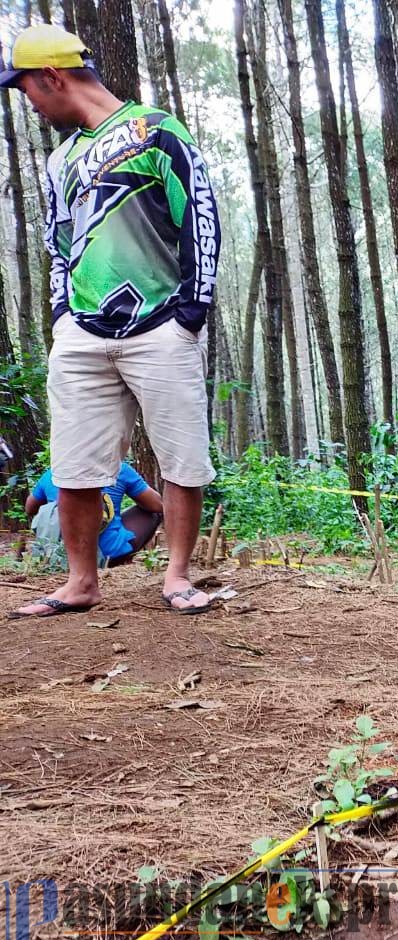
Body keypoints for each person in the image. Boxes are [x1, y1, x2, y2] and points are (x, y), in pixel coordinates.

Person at [3, 24, 220, 619]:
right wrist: (60, 315)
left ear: (53, 77)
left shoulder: (158, 131)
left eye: (27, 90)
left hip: (160, 321)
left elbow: (199, 213)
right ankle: (80, 581)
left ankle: (176, 576)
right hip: (82, 327)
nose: (30, 104)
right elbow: (58, 242)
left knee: (182, 455)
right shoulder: (59, 159)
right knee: (73, 462)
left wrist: (190, 314)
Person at [27, 462, 164, 567]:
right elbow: (157, 505)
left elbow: (30, 508)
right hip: (109, 554)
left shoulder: (53, 473)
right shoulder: (117, 468)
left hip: (61, 555)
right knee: (154, 513)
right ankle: (122, 559)